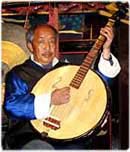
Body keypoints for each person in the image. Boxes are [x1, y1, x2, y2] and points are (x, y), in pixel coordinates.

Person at [3, 24, 121, 150]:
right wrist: (50, 100)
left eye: (52, 42)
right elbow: (12, 105)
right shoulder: (19, 73)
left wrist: (106, 50)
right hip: (28, 135)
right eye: (41, 42)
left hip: (69, 134)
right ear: (30, 46)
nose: (47, 47)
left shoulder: (67, 69)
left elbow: (98, 84)